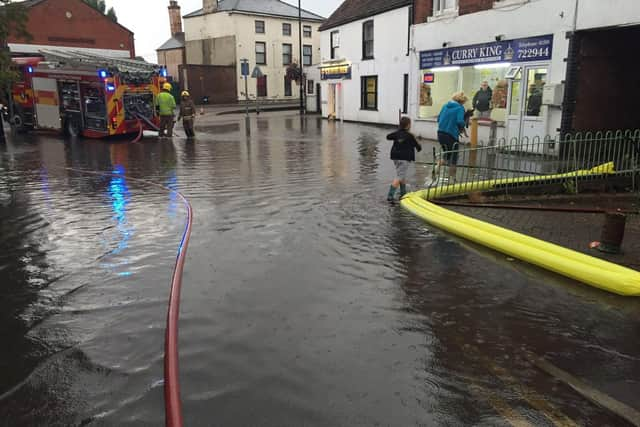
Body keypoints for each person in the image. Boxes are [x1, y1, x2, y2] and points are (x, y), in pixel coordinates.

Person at [386, 116, 422, 202]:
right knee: (400, 176)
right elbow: (419, 148)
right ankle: (390, 196)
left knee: (402, 174)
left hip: (395, 157)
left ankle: (403, 193)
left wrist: (398, 134)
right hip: (404, 158)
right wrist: (416, 139)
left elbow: (388, 137)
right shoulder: (410, 136)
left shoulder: (396, 133)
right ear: (408, 125)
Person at [437, 92, 468, 182]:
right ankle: (453, 179)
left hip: (440, 133)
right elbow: (460, 121)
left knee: (447, 154)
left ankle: (436, 167)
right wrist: (464, 124)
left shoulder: (445, 106)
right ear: (461, 101)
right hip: (451, 135)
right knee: (454, 157)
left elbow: (438, 119)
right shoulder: (460, 108)